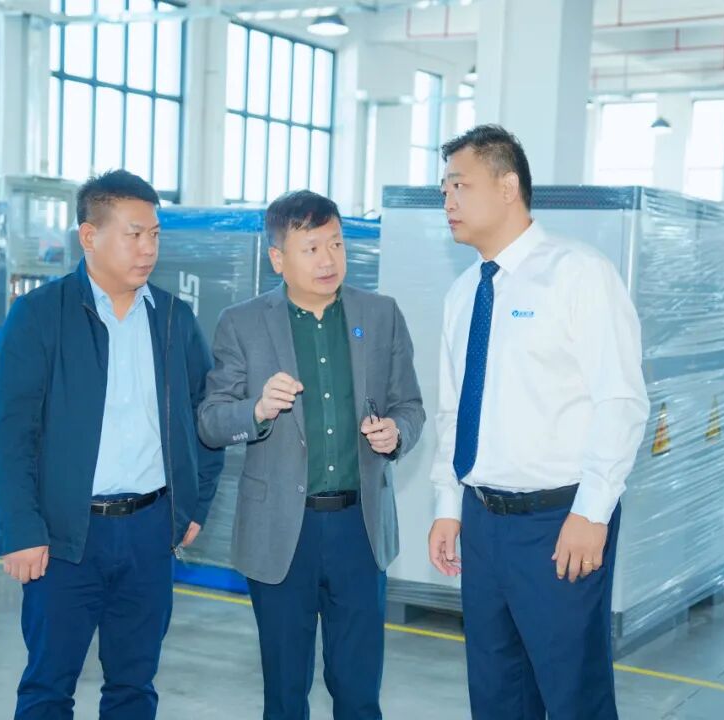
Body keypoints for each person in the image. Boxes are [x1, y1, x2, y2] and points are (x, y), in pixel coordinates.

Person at [426, 125, 650, 720]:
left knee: (573, 693)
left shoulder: (577, 273)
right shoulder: (463, 294)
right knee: (496, 693)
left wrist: (592, 511)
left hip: (558, 523)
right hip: (482, 520)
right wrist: (448, 505)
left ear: (507, 187)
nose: (447, 201)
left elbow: (621, 400)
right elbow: (454, 409)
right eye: (444, 189)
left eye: (459, 185)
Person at [0, 169, 224, 719]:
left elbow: (204, 416)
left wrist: (194, 504)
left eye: (155, 235)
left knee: (134, 685)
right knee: (48, 685)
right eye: (134, 234)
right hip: (65, 536)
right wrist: (21, 530)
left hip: (149, 531)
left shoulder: (173, 318)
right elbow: (13, 433)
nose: (148, 249)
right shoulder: (39, 316)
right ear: (90, 236)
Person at [198, 190, 425, 720]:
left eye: (336, 244)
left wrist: (396, 433)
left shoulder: (381, 314)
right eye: (312, 248)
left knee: (359, 690)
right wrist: (257, 410)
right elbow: (210, 421)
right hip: (280, 530)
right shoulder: (242, 322)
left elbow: (410, 406)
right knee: (284, 692)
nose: (329, 260)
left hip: (359, 528)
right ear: (278, 258)